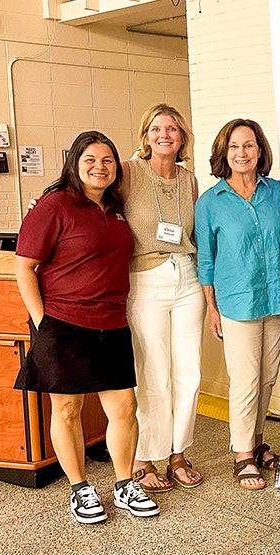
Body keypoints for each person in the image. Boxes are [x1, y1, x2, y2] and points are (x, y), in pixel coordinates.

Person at [13, 131, 160, 523]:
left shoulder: (116, 207)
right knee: (67, 409)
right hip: (63, 322)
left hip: (111, 322)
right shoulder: (54, 205)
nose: (100, 166)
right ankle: (80, 489)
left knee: (125, 407)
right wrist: (45, 323)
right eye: (91, 159)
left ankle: (125, 483)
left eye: (108, 160)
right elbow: (24, 266)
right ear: (75, 163)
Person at [195, 119, 280, 490]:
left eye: (249, 146)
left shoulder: (278, 193)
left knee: (266, 378)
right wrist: (212, 309)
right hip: (236, 301)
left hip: (277, 298)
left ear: (260, 151)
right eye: (234, 147)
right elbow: (206, 261)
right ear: (224, 153)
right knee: (245, 380)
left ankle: (258, 440)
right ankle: (242, 455)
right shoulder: (210, 203)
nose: (242, 153)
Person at [121, 104, 205, 492]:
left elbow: (195, 235)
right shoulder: (127, 172)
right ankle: (144, 457)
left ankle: (177, 453)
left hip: (186, 277)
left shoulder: (190, 180)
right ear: (145, 135)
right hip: (145, 279)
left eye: (172, 128)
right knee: (152, 373)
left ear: (182, 137)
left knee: (188, 372)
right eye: (156, 128)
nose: (164, 134)